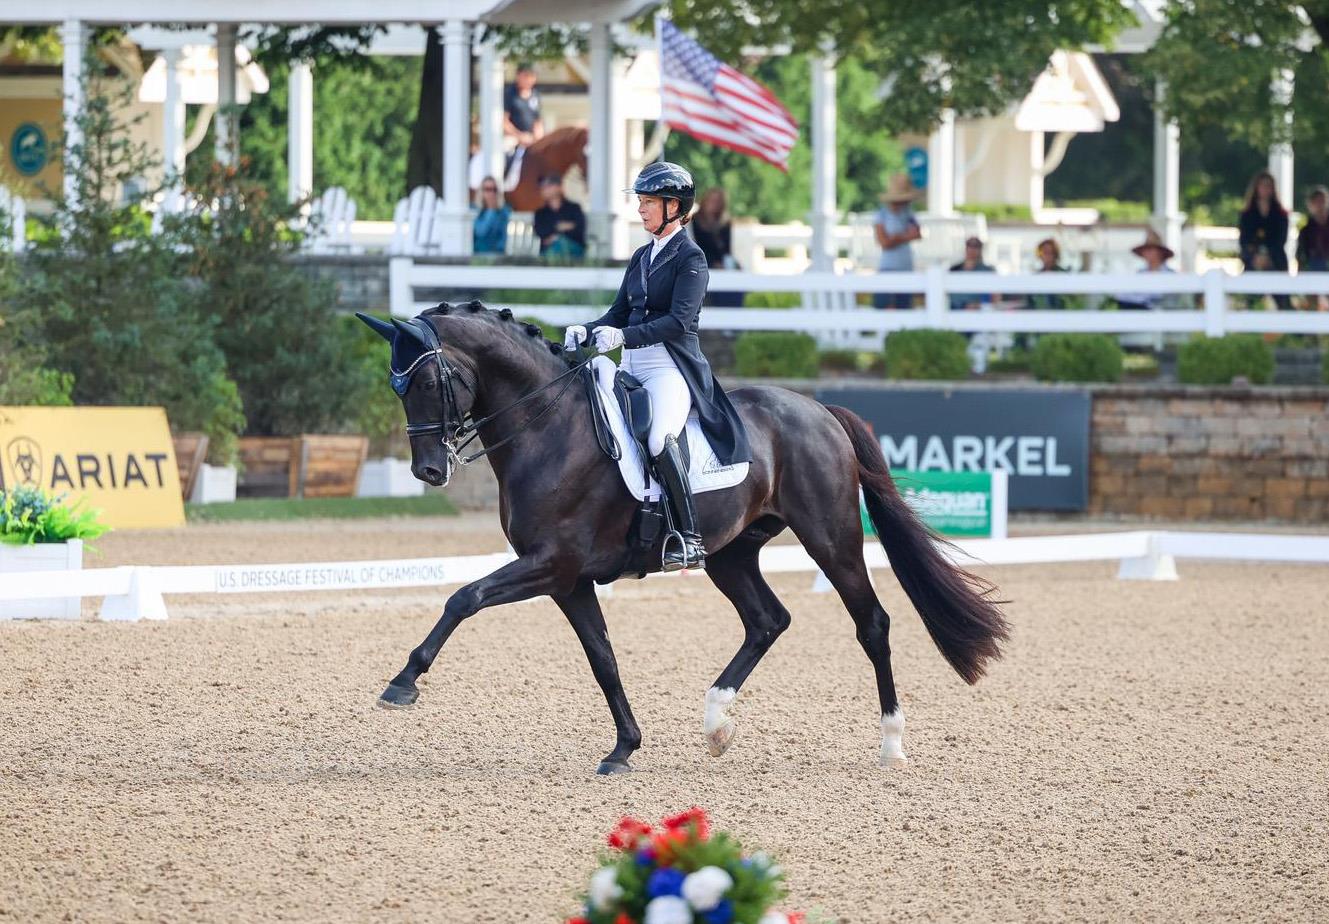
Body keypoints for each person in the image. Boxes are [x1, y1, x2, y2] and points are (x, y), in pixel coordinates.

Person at [562, 162, 752, 571]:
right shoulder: (641, 256)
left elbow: (678, 321)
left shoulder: (693, 258)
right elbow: (618, 312)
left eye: (648, 202)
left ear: (674, 206)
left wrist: (624, 337)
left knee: (658, 439)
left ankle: (688, 537)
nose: (642, 209)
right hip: (629, 365)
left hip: (670, 367)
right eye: (642, 202)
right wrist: (588, 329)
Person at [1239, 170, 1291, 310]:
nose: (1265, 189)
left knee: (1283, 299)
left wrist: (1268, 255)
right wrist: (1256, 255)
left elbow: (1281, 240)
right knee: (1251, 297)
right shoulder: (1247, 214)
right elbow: (1244, 239)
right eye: (1262, 185)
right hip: (1253, 259)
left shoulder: (1280, 214)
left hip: (1275, 259)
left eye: (1268, 186)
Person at [873, 174, 922, 309]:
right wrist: (904, 236)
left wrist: (896, 238)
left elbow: (917, 233)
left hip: (906, 266)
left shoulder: (908, 213)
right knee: (885, 307)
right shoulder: (882, 215)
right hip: (888, 267)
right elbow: (884, 242)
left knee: (904, 308)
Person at [690, 187, 743, 307]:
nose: (714, 204)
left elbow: (727, 250)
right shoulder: (694, 220)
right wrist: (713, 263)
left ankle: (733, 312)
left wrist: (730, 263)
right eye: (711, 200)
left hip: (721, 262)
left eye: (717, 201)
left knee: (737, 273)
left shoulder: (725, 222)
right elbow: (696, 246)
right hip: (701, 261)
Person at [1116, 229, 1176, 310]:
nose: (1147, 253)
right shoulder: (1140, 273)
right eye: (1145, 250)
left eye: (1150, 249)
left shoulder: (1170, 274)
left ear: (1160, 252)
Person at [532, 174, 586, 259]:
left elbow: (579, 229)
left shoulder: (574, 208)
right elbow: (540, 231)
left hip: (574, 251)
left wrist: (556, 237)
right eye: (542, 187)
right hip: (549, 250)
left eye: (548, 186)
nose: (544, 189)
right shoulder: (541, 213)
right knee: (555, 247)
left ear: (559, 187)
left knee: (560, 244)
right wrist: (561, 227)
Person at [503, 62, 545, 150]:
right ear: (518, 75)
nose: (529, 79)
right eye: (526, 76)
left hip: (532, 138)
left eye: (532, 76)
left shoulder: (535, 95)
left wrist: (537, 137)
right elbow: (504, 121)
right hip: (513, 137)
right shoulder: (509, 94)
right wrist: (520, 136)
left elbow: (538, 120)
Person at [948, 236, 996, 311]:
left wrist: (980, 306)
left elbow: (995, 297)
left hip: (977, 311)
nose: (972, 249)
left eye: (976, 246)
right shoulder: (954, 269)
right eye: (969, 245)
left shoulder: (987, 271)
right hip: (956, 310)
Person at [472, 177, 510, 256]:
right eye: (488, 189)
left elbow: (502, 239)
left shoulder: (503, 211)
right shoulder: (475, 210)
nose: (492, 193)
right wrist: (491, 210)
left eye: (494, 189)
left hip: (498, 255)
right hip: (478, 255)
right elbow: (481, 232)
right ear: (481, 191)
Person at [1296, 185, 1329, 272]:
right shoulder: (1306, 230)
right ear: (1310, 205)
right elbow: (1301, 255)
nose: (1320, 205)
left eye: (1322, 201)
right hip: (1314, 268)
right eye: (1316, 202)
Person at [1029, 237, 1067, 310]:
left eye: (1050, 252)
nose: (1047, 255)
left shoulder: (1063, 274)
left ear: (1055, 254)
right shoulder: (1036, 276)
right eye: (1044, 252)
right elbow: (1031, 301)